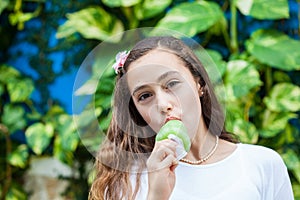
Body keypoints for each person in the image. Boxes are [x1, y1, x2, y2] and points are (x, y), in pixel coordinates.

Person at [89, 36, 294, 200]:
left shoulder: (262, 163)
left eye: (172, 83)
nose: (162, 104)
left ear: (199, 83)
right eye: (145, 96)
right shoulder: (126, 183)